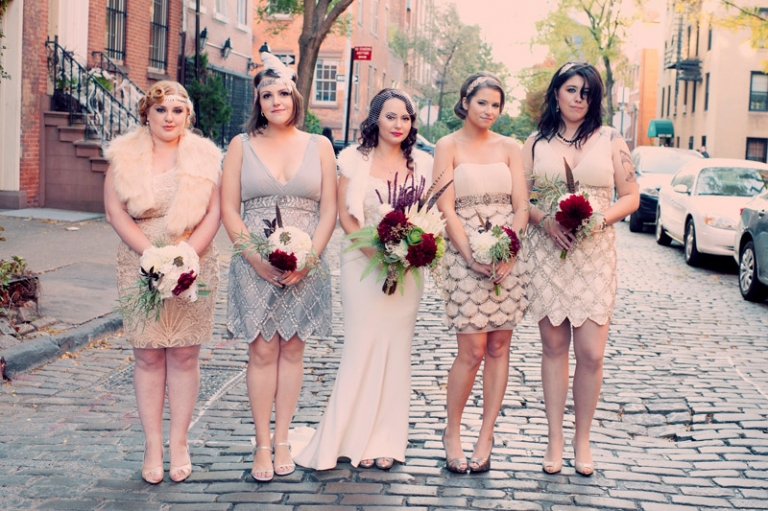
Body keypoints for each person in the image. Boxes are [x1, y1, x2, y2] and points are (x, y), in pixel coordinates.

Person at [294, 89, 433, 471]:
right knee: (362, 344)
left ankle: (386, 438)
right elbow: (346, 215)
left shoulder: (422, 163)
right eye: (390, 117)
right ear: (375, 119)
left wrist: (408, 253)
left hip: (407, 269)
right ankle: (350, 436)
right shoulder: (354, 159)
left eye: (405, 118)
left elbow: (425, 216)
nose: (398, 125)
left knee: (396, 349)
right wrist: (379, 255)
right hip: (362, 260)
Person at [221, 50, 337, 483]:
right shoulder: (240, 146)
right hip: (254, 264)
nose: (275, 101)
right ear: (258, 102)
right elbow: (229, 210)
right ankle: (262, 444)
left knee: (292, 348)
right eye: (266, 95)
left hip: (305, 264)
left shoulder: (320, 145)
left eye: (283, 93)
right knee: (262, 349)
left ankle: (284, 438)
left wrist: (310, 259)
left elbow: (330, 211)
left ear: (295, 98)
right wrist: (252, 256)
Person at [522, 62, 639, 476]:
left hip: (594, 253)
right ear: (556, 93)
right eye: (571, 90)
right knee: (554, 349)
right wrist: (545, 221)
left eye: (586, 93)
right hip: (549, 252)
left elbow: (631, 196)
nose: (578, 98)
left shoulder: (610, 139)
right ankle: (554, 437)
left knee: (591, 353)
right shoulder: (536, 142)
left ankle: (582, 437)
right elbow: (521, 200)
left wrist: (601, 219)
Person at [104, 80, 223, 484]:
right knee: (149, 355)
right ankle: (153, 444)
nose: (169, 117)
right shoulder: (123, 155)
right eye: (161, 110)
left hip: (194, 257)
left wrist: (186, 255)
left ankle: (179, 441)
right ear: (147, 114)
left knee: (185, 355)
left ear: (188, 115)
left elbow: (214, 212)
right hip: (140, 261)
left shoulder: (206, 157)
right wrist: (152, 256)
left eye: (177, 110)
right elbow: (115, 212)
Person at [433, 72, 529, 474]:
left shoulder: (511, 147)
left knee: (499, 348)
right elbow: (445, 206)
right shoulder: (447, 145)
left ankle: (485, 434)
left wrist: (510, 249)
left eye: (496, 104)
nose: (489, 111)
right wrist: (471, 255)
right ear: (465, 101)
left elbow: (522, 206)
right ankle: (452, 431)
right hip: (463, 253)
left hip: (507, 255)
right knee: (471, 351)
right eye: (482, 103)